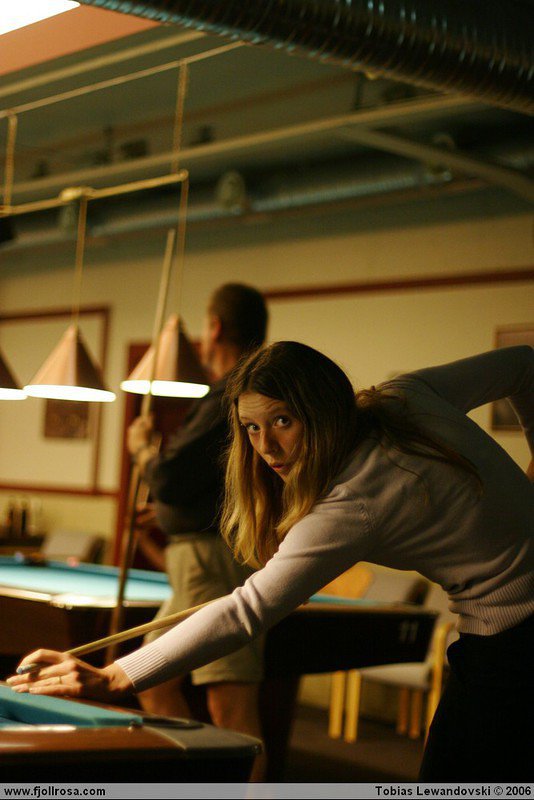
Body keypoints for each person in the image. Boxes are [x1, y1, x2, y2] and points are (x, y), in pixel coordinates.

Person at [9, 342, 534, 781]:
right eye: (252, 427)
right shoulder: (404, 397)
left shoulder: (353, 502)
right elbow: (524, 365)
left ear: (322, 410)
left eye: (282, 420)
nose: (267, 447)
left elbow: (246, 610)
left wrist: (114, 678)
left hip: (513, 636)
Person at [124, 283, 268, 777]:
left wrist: (144, 450)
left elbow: (168, 478)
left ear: (215, 327)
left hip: (213, 561)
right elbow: (193, 483)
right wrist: (169, 512)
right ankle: (200, 782)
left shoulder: (233, 391)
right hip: (199, 560)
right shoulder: (234, 392)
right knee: (150, 680)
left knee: (231, 705)